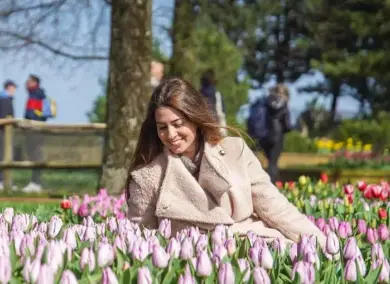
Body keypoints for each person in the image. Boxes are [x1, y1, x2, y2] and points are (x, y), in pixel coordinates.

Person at [125, 77, 325, 246]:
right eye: (162, 127)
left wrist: (320, 245)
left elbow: (274, 206)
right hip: (195, 263)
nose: (170, 135)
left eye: (178, 124)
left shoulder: (234, 150)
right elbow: (142, 242)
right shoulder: (147, 178)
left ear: (195, 119)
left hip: (256, 247)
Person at [258, 84, 292, 183]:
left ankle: (264, 183)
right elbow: (287, 125)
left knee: (268, 162)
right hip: (277, 137)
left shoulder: (265, 101)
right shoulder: (283, 103)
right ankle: (270, 185)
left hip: (263, 135)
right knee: (273, 163)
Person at [23, 74, 47, 193]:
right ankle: (34, 182)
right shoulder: (36, 94)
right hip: (34, 130)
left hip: (35, 130)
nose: (26, 83)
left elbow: (34, 114)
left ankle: (36, 183)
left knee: (36, 156)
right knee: (34, 156)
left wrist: (31, 122)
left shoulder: (36, 95)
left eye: (29, 81)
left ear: (35, 82)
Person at [0, 80, 17, 190]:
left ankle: (4, 180)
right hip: (3, 133)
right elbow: (3, 116)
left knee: (5, 156)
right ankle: (1, 180)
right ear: (8, 88)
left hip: (4, 133)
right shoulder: (5, 100)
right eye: (13, 88)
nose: (14, 90)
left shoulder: (6, 99)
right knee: (3, 156)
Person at [200, 69, 226, 134]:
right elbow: (221, 111)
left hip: (203, 124)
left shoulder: (199, 93)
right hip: (216, 123)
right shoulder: (216, 93)